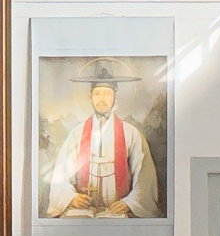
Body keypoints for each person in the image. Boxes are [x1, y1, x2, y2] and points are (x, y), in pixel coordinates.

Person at [43, 58, 159, 217]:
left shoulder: (130, 133)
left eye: (107, 94)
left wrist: (128, 203)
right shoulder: (77, 133)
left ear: (115, 97)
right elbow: (61, 174)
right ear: (90, 97)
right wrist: (72, 197)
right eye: (97, 93)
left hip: (119, 210)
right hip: (83, 210)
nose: (102, 99)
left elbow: (144, 175)